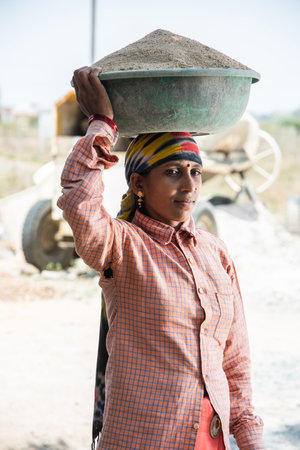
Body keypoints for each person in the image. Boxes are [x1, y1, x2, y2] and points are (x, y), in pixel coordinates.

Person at [57, 66, 264, 450]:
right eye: (172, 172)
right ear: (138, 183)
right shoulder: (121, 245)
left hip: (210, 440)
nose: (189, 186)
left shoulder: (214, 251)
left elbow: (235, 361)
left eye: (195, 172)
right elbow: (78, 199)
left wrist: (250, 438)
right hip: (142, 438)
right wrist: (101, 124)